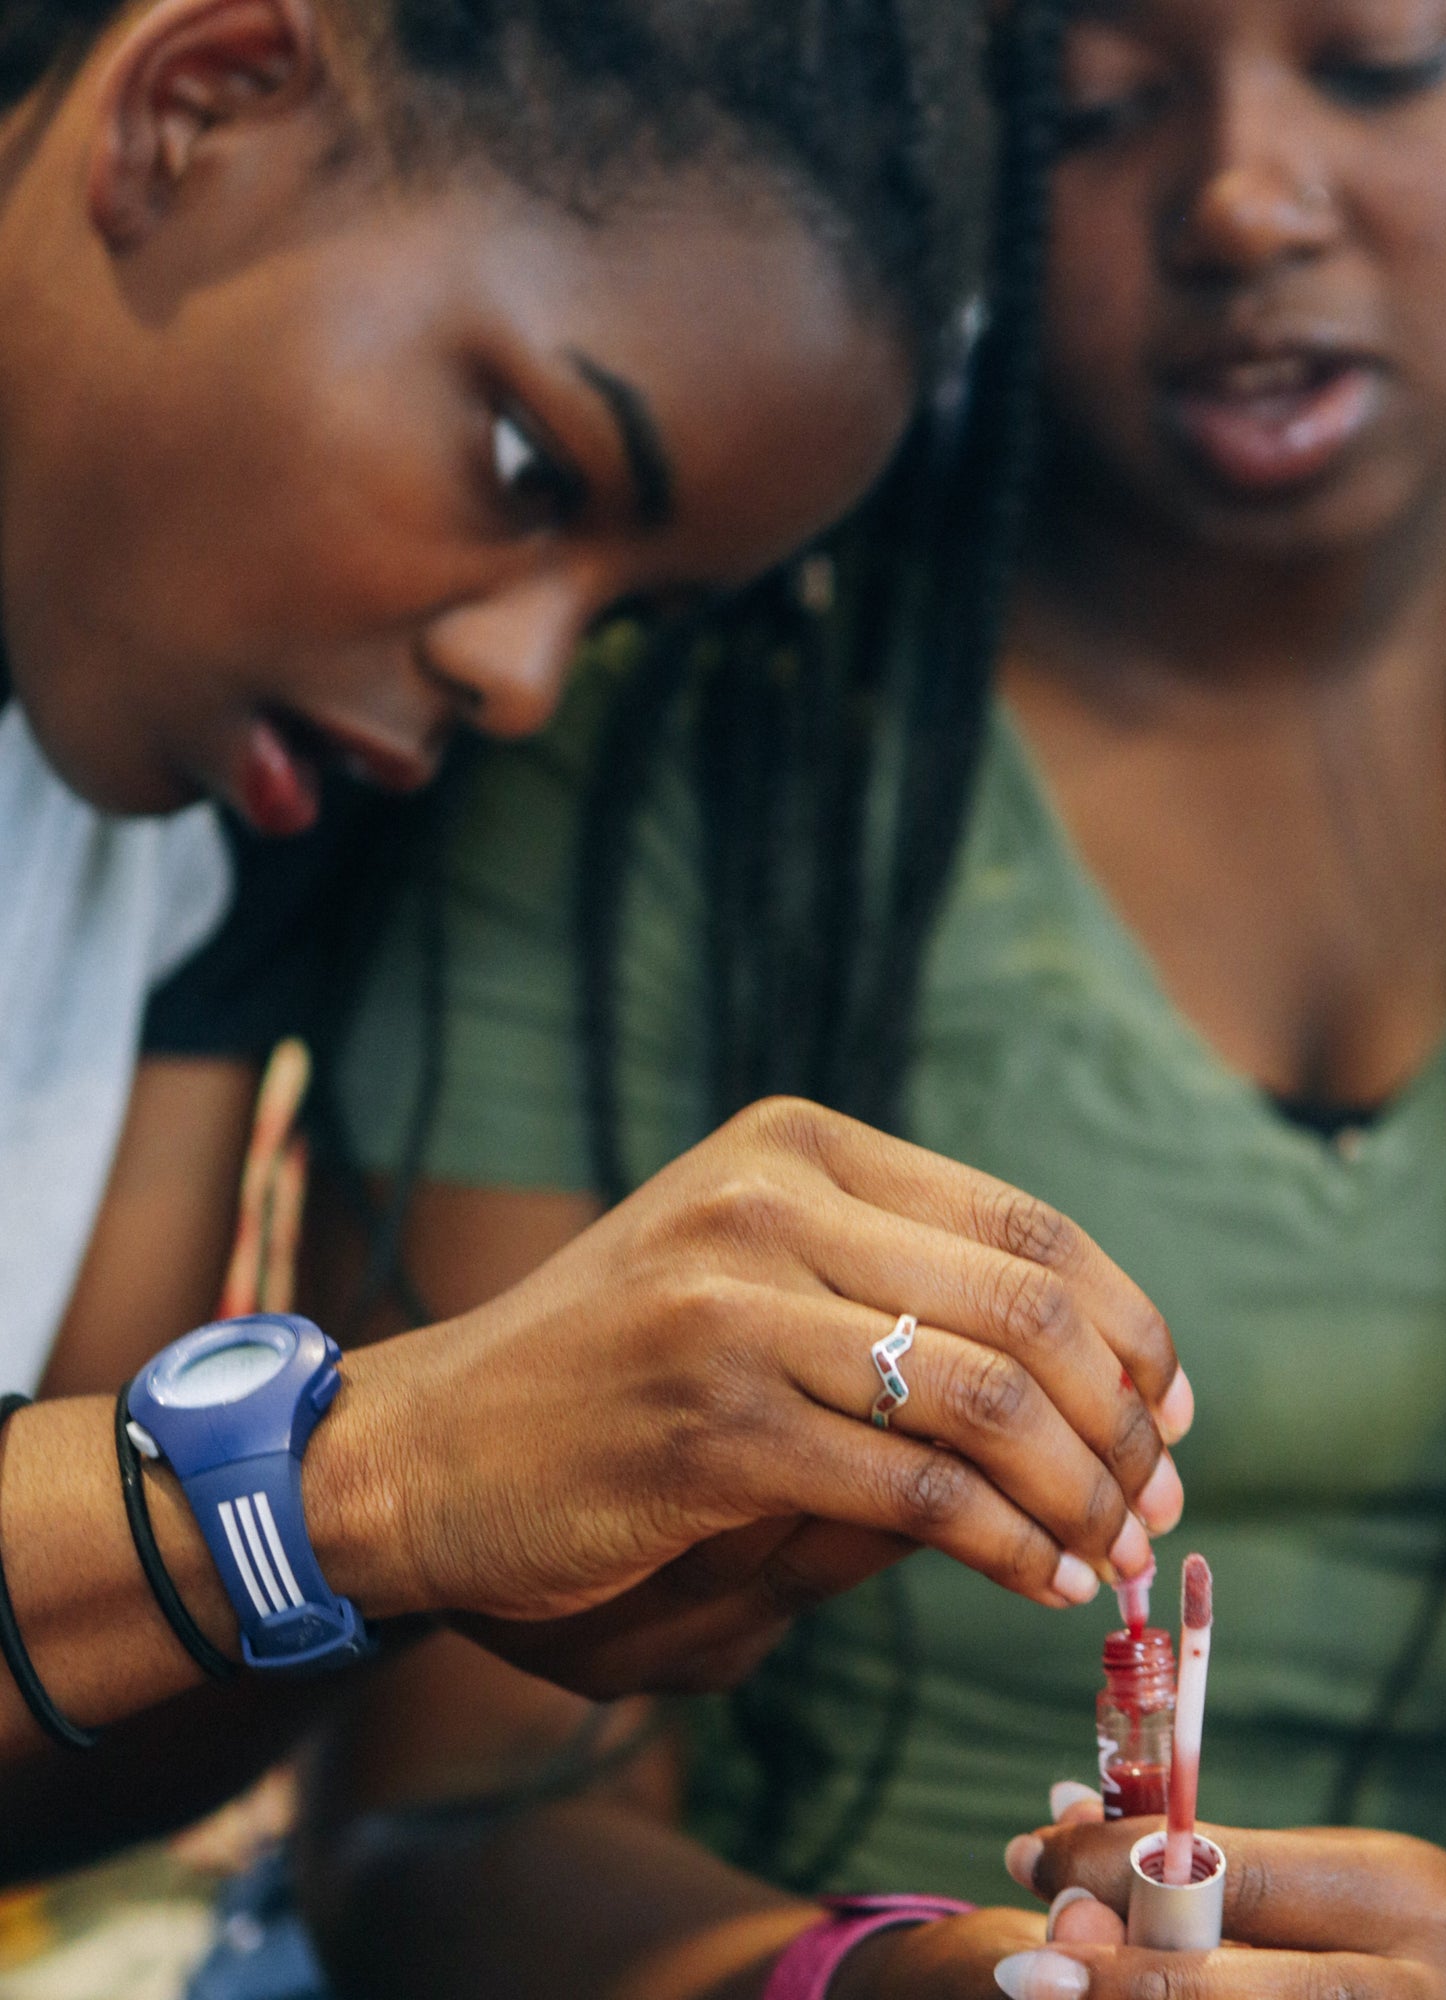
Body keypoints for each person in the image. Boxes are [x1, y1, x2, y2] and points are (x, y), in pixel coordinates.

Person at [294, 0, 1446, 1994]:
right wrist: (887, 1980)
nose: (1243, 201)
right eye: (1094, 104)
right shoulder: (671, 711)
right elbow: (450, 1820)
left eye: (1378, 63)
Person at [0, 0, 1195, 1888]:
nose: (522, 678)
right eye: (528, 465)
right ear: (199, 106)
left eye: (633, 606)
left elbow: (49, 1724)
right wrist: (375, 1472)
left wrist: (453, 1560)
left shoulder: (206, 798)